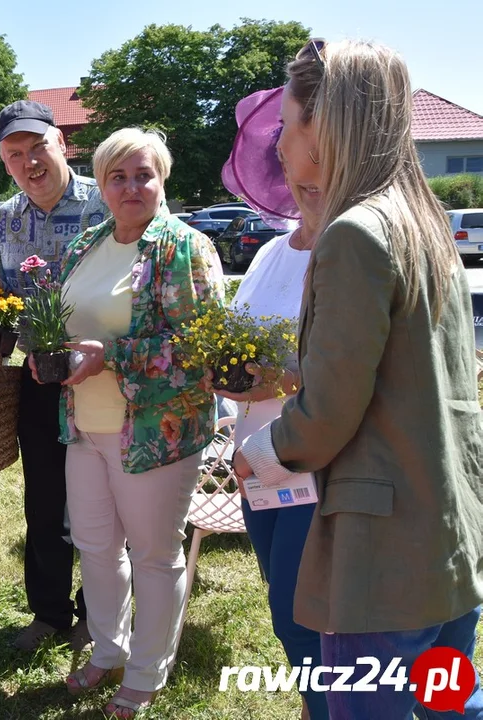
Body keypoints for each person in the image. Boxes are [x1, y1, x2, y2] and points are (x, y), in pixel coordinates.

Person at [234, 40, 483, 720]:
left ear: (325, 124)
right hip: (446, 541)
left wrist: (254, 454)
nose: (278, 146)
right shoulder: (423, 222)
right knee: (447, 702)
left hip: (379, 566)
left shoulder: (354, 232)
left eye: (285, 124)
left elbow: (328, 413)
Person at [49, 128, 223, 718]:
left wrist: (114, 356)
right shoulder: (85, 245)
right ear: (99, 184)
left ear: (162, 178)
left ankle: (146, 672)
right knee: (96, 546)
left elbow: (205, 349)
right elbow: (66, 324)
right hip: (84, 425)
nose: (131, 187)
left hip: (155, 430)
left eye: (142, 175)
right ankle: (108, 648)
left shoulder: (185, 249)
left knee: (153, 554)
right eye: (117, 177)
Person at [215, 86, 329, 720]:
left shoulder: (351, 248)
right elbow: (238, 340)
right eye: (284, 152)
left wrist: (274, 380)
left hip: (320, 464)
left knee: (303, 615)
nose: (294, 165)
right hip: (255, 463)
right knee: (288, 616)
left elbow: (338, 368)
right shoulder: (267, 252)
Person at [0, 99, 104, 652]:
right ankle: (50, 613)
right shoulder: (6, 217)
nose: (30, 162)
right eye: (16, 154)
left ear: (61, 143)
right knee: (44, 502)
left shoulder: (104, 202)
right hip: (38, 376)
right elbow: (8, 303)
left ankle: (98, 615)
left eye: (38, 148)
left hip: (103, 376)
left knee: (101, 504)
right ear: (5, 162)